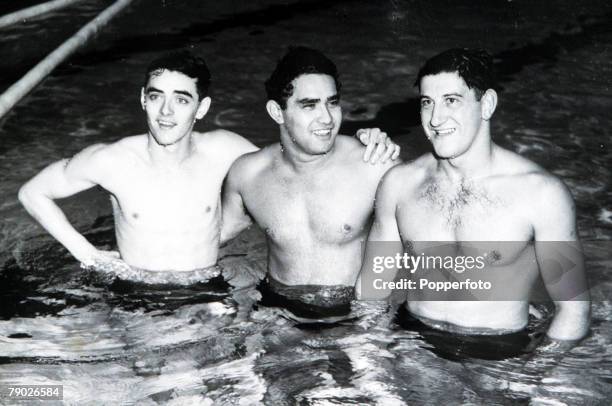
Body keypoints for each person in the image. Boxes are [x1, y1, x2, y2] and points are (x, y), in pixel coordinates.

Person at [18, 50, 398, 284]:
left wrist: (366, 139)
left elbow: (286, 172)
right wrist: (85, 252)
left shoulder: (225, 151)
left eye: (181, 100)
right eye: (156, 97)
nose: (166, 112)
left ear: (201, 108)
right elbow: (32, 192)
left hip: (206, 289)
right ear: (142, 100)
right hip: (133, 289)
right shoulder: (111, 160)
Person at [357, 48, 590, 342]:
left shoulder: (541, 194)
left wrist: (532, 378)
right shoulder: (399, 184)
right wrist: (367, 364)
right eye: (427, 103)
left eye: (451, 101)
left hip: (497, 353)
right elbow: (372, 289)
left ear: (487, 104)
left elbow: (574, 311)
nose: (436, 118)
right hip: (413, 340)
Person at [220, 47, 400, 315]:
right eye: (309, 105)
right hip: (276, 307)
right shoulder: (248, 174)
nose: (326, 118)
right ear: (277, 112)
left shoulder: (374, 165)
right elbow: (210, 240)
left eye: (332, 102)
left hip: (356, 312)